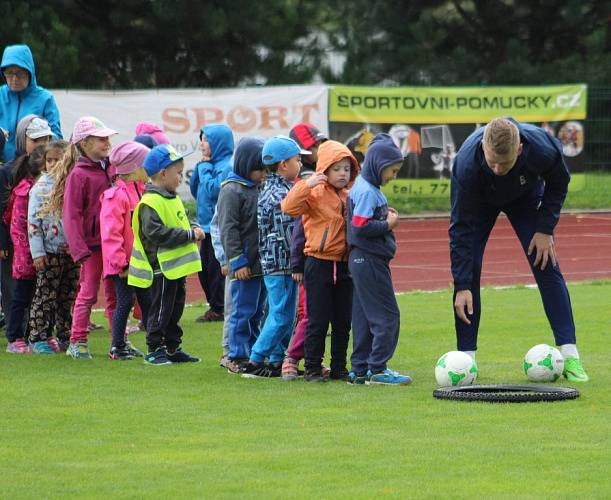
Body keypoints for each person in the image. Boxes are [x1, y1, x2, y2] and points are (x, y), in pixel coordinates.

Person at [450, 117, 589, 382]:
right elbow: (460, 228)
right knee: (469, 273)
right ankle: (466, 362)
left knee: (545, 262)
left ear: (520, 150)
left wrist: (545, 228)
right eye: (492, 162)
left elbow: (559, 182)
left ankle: (570, 355)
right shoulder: (466, 164)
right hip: (479, 204)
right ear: (482, 146)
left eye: (505, 162)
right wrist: (461, 283)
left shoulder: (542, 148)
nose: (498, 169)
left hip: (524, 199)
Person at [282, 140, 359, 382]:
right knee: (317, 319)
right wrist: (307, 184)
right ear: (324, 169)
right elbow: (288, 207)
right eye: (337, 168)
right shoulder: (314, 193)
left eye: (347, 168)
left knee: (343, 321)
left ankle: (339, 368)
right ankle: (313, 368)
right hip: (318, 262)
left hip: (345, 264)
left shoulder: (352, 194)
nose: (342, 174)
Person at [128, 144, 204, 365]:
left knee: (174, 310)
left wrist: (192, 226)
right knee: (160, 310)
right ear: (163, 173)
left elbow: (179, 220)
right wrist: (190, 234)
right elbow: (156, 233)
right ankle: (154, 348)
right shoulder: (151, 202)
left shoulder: (171, 197)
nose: (181, 177)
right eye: (178, 173)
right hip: (160, 269)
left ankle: (172, 347)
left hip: (175, 269)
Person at [347, 133, 412, 385]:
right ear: (378, 166)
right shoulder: (367, 191)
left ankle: (360, 369)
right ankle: (378, 369)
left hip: (362, 261)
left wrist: (385, 217)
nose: (393, 176)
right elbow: (360, 227)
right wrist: (388, 223)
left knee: (363, 317)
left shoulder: (365, 187)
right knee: (387, 316)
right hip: (369, 261)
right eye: (392, 171)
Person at [240, 136, 304, 378]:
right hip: (281, 265)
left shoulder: (278, 189)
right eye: (297, 160)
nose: (300, 165)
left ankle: (277, 358)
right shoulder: (279, 195)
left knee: (285, 314)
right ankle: (255, 359)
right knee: (281, 315)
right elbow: (290, 231)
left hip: (280, 264)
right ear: (283, 164)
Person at [62, 117, 119, 359]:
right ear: (85, 143)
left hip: (112, 243)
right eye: (101, 138)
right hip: (92, 246)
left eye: (108, 138)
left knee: (115, 293)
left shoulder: (112, 168)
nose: (107, 142)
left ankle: (119, 342)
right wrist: (79, 248)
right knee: (88, 293)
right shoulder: (78, 175)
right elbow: (71, 214)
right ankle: (77, 341)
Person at [216, 138, 267, 373]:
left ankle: (253, 350)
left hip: (261, 263)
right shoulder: (231, 190)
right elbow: (228, 228)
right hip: (244, 265)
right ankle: (235, 354)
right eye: (260, 168)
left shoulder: (259, 187)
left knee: (257, 310)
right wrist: (237, 260)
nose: (264, 173)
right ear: (247, 165)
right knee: (241, 311)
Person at [0, 115, 53, 334]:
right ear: (23, 141)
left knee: (42, 288)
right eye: (35, 140)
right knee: (14, 286)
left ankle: (38, 331)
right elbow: (2, 211)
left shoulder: (53, 172)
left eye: (45, 140)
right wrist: (2, 241)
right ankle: (17, 333)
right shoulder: (8, 171)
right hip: (13, 242)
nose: (41, 146)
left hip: (44, 240)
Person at [101, 141, 152, 360]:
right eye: (145, 164)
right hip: (123, 264)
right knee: (125, 302)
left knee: (147, 300)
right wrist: (121, 263)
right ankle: (117, 346)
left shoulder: (140, 192)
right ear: (133, 168)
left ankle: (156, 343)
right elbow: (111, 233)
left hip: (138, 261)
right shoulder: (116, 196)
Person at [27, 140, 78, 354]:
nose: (53, 164)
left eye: (58, 160)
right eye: (49, 160)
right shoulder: (40, 188)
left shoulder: (72, 183)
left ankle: (65, 335)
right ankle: (38, 337)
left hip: (71, 252)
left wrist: (76, 245)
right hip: (49, 252)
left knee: (67, 296)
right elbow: (33, 222)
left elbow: (77, 218)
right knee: (45, 295)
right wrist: (37, 252)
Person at [189, 124, 234, 322]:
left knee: (216, 271)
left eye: (206, 140)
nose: (202, 144)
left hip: (217, 228)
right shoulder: (207, 165)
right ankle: (215, 306)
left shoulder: (226, 167)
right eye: (202, 139)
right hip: (204, 227)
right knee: (205, 269)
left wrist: (205, 168)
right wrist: (201, 168)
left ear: (218, 143)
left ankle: (219, 308)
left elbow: (214, 191)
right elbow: (195, 190)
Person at [4, 145, 45, 353]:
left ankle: (33, 335)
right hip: (25, 256)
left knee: (37, 297)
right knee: (20, 298)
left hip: (40, 253)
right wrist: (29, 253)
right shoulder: (24, 192)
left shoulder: (41, 189)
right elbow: (20, 227)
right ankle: (14, 338)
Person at [0, 44, 62, 161]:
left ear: (30, 71)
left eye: (19, 73)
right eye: (9, 73)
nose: (14, 79)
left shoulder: (45, 99)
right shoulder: (0, 95)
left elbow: (57, 138)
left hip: (34, 167)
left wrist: (38, 139)